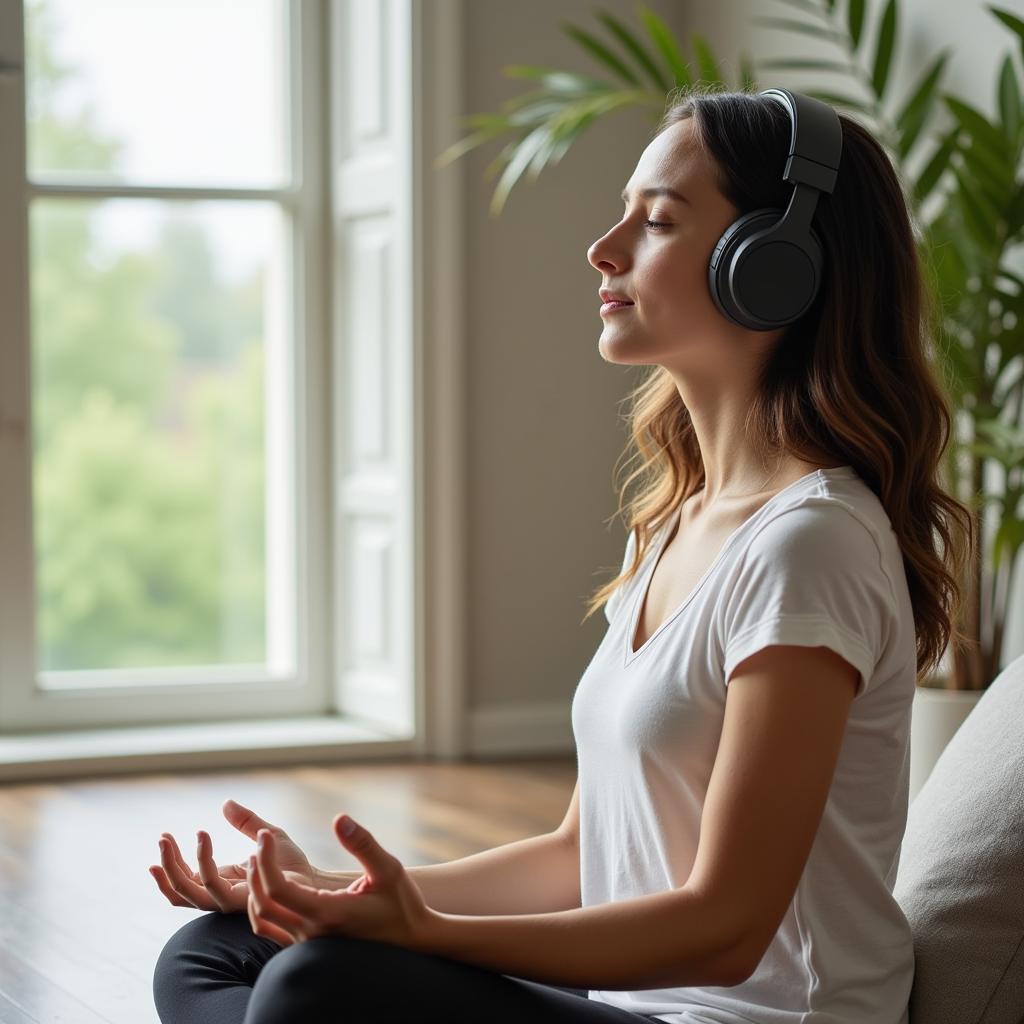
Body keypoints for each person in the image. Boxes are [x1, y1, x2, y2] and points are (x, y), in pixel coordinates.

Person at [149, 87, 974, 1024]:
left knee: (314, 984)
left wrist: (410, 930)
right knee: (217, 950)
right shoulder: (677, 521)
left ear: (773, 267)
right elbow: (580, 856)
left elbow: (727, 927)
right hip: (634, 1007)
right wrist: (334, 891)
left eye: (657, 220)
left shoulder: (812, 544)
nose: (605, 247)